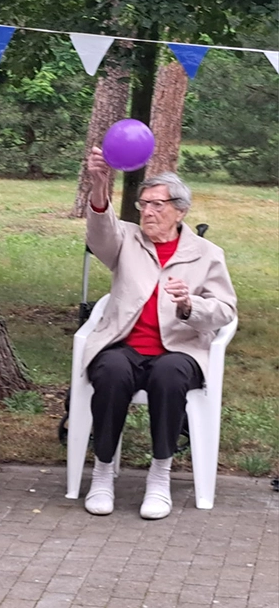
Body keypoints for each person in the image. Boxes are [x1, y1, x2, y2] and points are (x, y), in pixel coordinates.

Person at [81, 147, 237, 520]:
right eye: (144, 204)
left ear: (180, 211)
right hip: (125, 344)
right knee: (112, 372)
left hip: (179, 349)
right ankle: (102, 472)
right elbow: (100, 233)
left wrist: (189, 306)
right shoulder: (127, 240)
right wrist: (100, 184)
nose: (148, 212)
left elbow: (225, 310)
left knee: (169, 376)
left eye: (158, 205)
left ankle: (160, 474)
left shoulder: (206, 253)